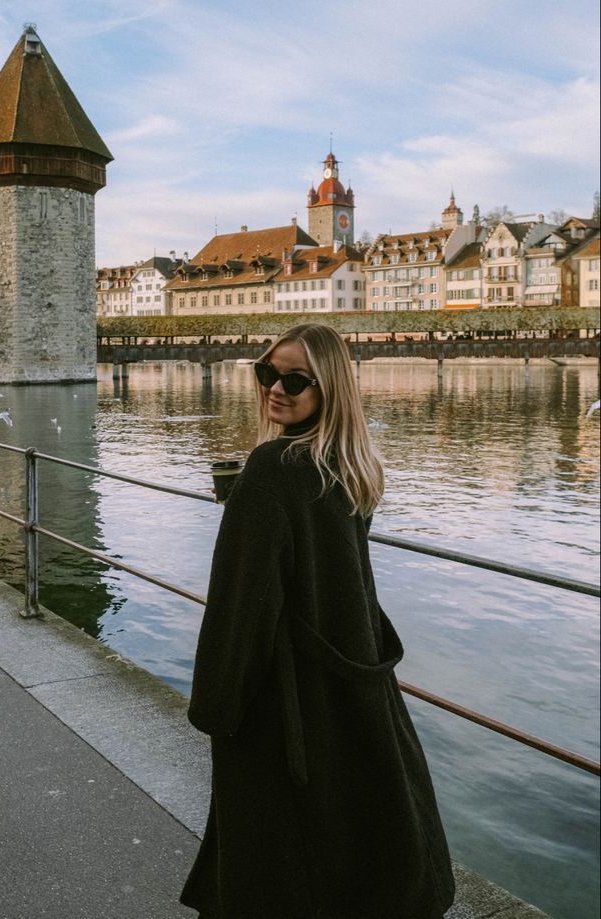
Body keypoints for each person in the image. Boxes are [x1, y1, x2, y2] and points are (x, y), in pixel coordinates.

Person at [180, 323, 455, 919]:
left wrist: (216, 707)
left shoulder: (273, 467)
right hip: (353, 681)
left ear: (328, 389)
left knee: (273, 864)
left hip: (287, 703)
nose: (276, 389)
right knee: (352, 847)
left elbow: (241, 610)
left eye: (295, 380)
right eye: (267, 374)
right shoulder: (349, 466)